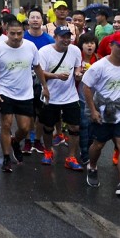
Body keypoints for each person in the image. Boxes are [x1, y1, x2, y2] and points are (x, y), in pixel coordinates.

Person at [81, 29, 120, 197]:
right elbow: (87, 87)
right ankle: (92, 166)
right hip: (103, 112)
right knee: (98, 145)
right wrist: (93, 111)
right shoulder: (99, 66)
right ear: (111, 45)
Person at [0, 18, 41, 174]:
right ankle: (6, 158)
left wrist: (44, 87)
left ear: (23, 33)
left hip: (25, 93)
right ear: (7, 33)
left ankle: (15, 141)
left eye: (19, 34)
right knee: (6, 124)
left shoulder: (30, 47)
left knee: (24, 128)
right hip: (5, 91)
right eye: (12, 34)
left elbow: (37, 67)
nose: (16, 37)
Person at [37, 26, 82, 170]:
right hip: (50, 95)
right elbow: (40, 72)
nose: (66, 40)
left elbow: (77, 67)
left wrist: (78, 73)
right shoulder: (44, 52)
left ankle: (71, 157)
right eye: (63, 37)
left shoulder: (75, 50)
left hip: (70, 96)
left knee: (74, 127)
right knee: (48, 126)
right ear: (55, 37)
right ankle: (48, 151)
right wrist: (56, 76)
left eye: (68, 37)